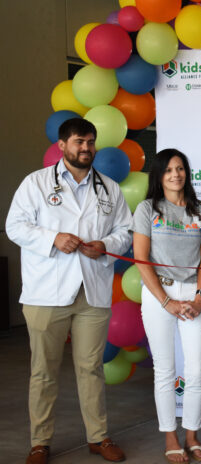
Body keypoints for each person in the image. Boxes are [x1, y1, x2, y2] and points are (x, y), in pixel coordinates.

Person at [6, 118, 131, 464]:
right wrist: (52, 239)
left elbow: (126, 230)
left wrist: (106, 245)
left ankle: (98, 436)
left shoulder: (109, 188)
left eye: (90, 142)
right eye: (79, 142)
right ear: (62, 146)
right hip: (46, 292)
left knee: (91, 369)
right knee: (43, 370)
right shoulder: (35, 183)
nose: (86, 148)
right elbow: (14, 225)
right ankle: (40, 442)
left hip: (91, 291)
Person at [132, 149, 201, 463]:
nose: (175, 175)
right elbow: (142, 259)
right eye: (168, 170)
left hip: (194, 295)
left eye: (180, 169)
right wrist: (166, 302)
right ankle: (170, 435)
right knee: (165, 370)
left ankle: (192, 434)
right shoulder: (147, 209)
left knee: (195, 371)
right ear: (159, 175)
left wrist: (199, 297)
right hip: (160, 294)